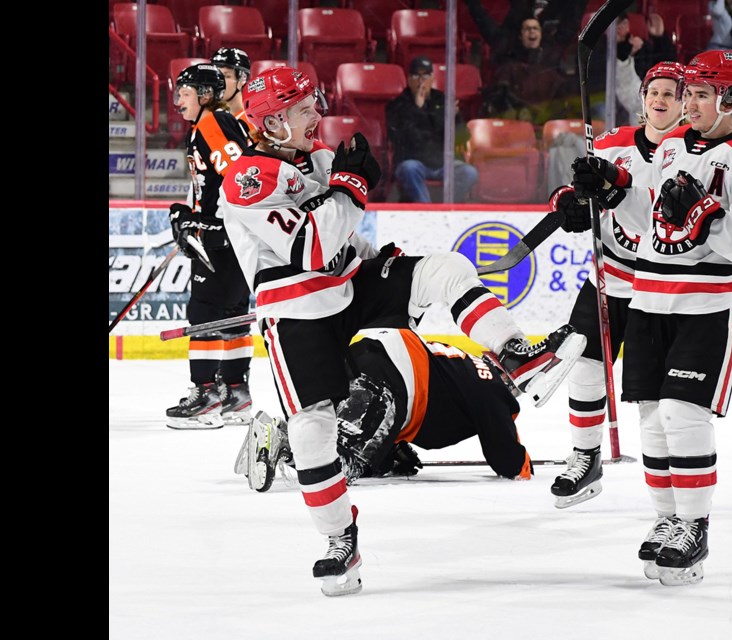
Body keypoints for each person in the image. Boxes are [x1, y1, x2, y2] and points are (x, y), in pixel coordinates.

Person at [218, 66, 586, 597]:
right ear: (271, 123)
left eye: (311, 104)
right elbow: (313, 249)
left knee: (443, 268)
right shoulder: (248, 178)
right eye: (302, 111)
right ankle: (339, 539)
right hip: (299, 307)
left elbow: (344, 242)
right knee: (312, 429)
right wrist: (347, 189)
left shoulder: (319, 160)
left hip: (351, 286)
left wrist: (375, 255)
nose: (315, 115)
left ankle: (515, 355)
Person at [573, 50, 732, 586]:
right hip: (649, 297)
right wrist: (611, 191)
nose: (687, 103)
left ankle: (695, 525)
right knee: (651, 414)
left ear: (730, 100)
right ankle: (668, 519)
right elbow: (648, 214)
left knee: (681, 412)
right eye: (686, 92)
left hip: (708, 305)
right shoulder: (670, 146)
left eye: (699, 94)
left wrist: (705, 215)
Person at [549, 61, 686, 510]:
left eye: (670, 93)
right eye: (654, 91)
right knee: (585, 369)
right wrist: (567, 204)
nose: (660, 100)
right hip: (607, 280)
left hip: (657, 291)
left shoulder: (691, 152)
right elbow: (572, 189)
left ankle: (669, 495)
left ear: (685, 102)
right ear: (642, 96)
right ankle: (585, 458)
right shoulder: (611, 144)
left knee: (652, 397)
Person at [234, 327, 535, 491]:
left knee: (341, 440)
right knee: (345, 463)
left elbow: (433, 404)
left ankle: (278, 445)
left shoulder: (465, 364)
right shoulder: (491, 384)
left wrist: (392, 449)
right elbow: (508, 460)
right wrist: (524, 465)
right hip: (393, 375)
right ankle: (280, 439)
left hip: (371, 355)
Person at [165, 64, 255, 430]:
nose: (178, 103)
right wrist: (193, 214)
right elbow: (218, 185)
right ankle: (235, 393)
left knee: (203, 312)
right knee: (232, 314)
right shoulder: (208, 125)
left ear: (204, 95)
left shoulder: (214, 124)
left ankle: (207, 395)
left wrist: (206, 224)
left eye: (184, 95)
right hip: (234, 237)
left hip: (225, 238)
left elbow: (242, 178)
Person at [385, 57, 478, 203]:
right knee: (409, 169)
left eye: (426, 75)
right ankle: (427, 210)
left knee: (469, 172)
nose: (421, 80)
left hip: (442, 162)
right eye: (416, 75)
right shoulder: (397, 105)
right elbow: (409, 137)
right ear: (408, 79)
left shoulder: (443, 100)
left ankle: (446, 207)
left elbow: (462, 136)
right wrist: (419, 109)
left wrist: (453, 118)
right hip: (414, 161)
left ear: (432, 78)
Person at [210, 47, 258, 141]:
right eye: (215, 75)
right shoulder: (211, 117)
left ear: (242, 79)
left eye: (226, 76)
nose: (219, 81)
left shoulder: (254, 121)